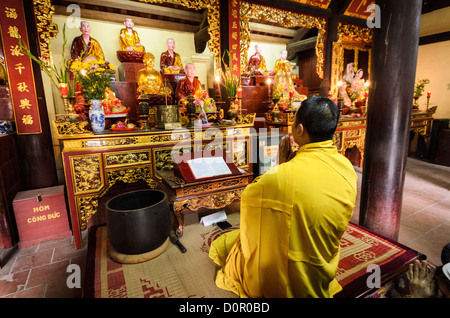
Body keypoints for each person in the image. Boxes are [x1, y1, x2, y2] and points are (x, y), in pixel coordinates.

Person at [209, 97, 358, 298]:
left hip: (288, 274)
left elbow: (250, 196)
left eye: (295, 121)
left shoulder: (283, 175)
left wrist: (280, 166)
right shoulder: (347, 168)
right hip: (321, 266)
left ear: (300, 129)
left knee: (234, 244)